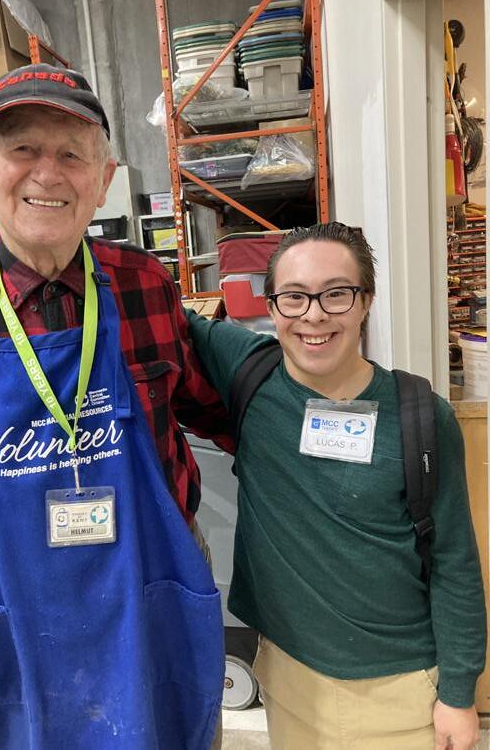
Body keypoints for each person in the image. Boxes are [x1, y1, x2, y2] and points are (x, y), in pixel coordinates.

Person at [0, 63, 231, 750]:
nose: (47, 173)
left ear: (103, 178)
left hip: (152, 593)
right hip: (10, 610)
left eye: (72, 154)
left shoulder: (145, 284)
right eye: (23, 148)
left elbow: (215, 405)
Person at [187, 222, 487, 750]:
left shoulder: (421, 415)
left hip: (401, 690)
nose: (314, 315)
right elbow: (151, 301)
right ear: (272, 306)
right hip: (289, 678)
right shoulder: (250, 373)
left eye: (336, 294)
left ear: (365, 301)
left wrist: (459, 695)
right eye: (294, 296)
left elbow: (454, 562)